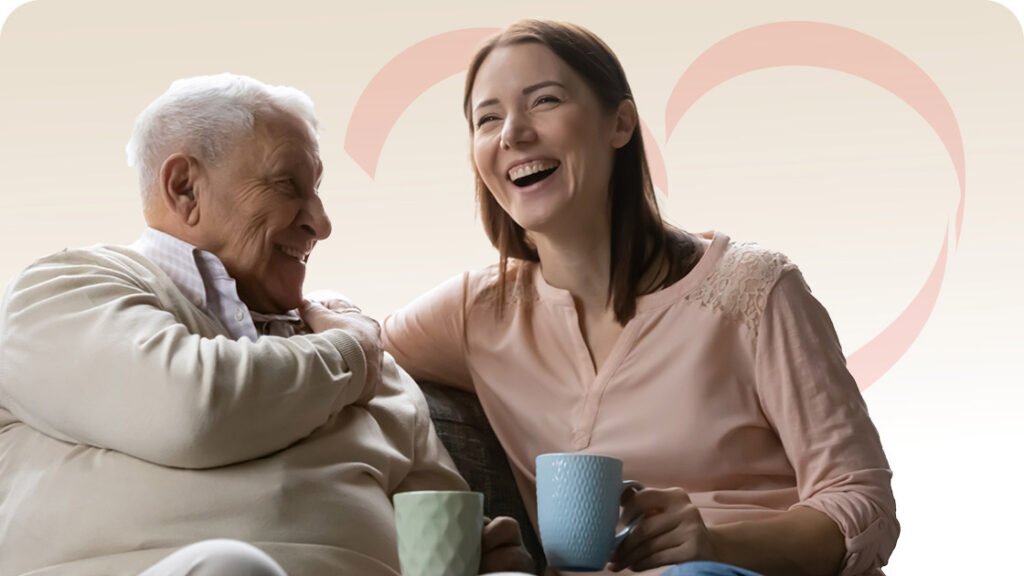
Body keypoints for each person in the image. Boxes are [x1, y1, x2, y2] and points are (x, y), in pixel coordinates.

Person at [382, 20, 899, 576]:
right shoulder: (476, 313)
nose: (512, 133)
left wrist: (718, 547)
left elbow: (861, 501)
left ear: (620, 123)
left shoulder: (755, 289)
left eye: (545, 101)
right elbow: (344, 347)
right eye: (487, 119)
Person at [0, 73, 532, 576]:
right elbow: (194, 411)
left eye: (318, 190)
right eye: (287, 185)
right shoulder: (62, 291)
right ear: (185, 187)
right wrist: (349, 351)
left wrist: (483, 559)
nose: (320, 223)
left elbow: (444, 522)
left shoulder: (375, 367)